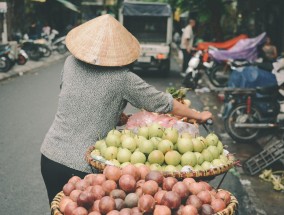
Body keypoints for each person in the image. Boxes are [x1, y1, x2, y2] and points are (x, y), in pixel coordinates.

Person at [40, 14, 212, 204]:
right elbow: (162, 102)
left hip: (50, 157)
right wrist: (198, 115)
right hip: (84, 166)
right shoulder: (122, 78)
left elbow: (75, 99)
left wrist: (114, 115)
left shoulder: (69, 62)